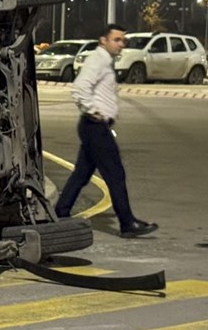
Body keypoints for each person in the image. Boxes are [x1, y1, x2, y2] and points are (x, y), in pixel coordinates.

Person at [54, 23, 157, 238]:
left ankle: (60, 213)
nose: (121, 44)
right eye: (117, 40)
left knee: (82, 174)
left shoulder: (105, 61)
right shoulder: (98, 60)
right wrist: (94, 111)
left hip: (94, 127)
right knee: (115, 174)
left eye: (123, 40)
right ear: (104, 40)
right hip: (95, 127)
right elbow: (80, 88)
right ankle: (127, 223)